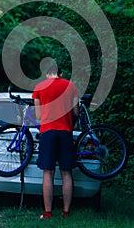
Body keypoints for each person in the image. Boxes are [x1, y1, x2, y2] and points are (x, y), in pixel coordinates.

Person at [32, 65, 79, 219]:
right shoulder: (71, 86)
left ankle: (47, 212)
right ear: (61, 73)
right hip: (65, 132)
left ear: (47, 74)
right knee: (66, 173)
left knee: (48, 172)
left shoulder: (39, 87)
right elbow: (76, 112)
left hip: (47, 132)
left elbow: (38, 115)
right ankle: (66, 212)